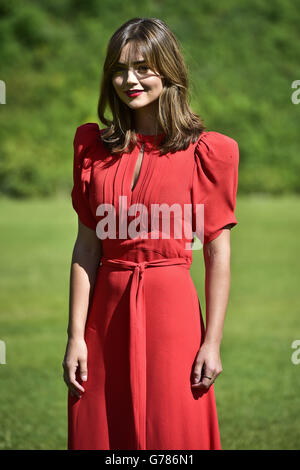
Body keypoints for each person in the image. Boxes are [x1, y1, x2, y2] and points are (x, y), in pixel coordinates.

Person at [62, 17, 239, 450]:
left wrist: (211, 343)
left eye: (143, 67)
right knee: (101, 429)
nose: (129, 80)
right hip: (105, 312)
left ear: (168, 70)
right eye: (119, 70)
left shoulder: (206, 152)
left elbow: (217, 253)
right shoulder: (92, 147)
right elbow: (87, 249)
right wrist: (74, 337)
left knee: (174, 433)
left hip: (173, 312)